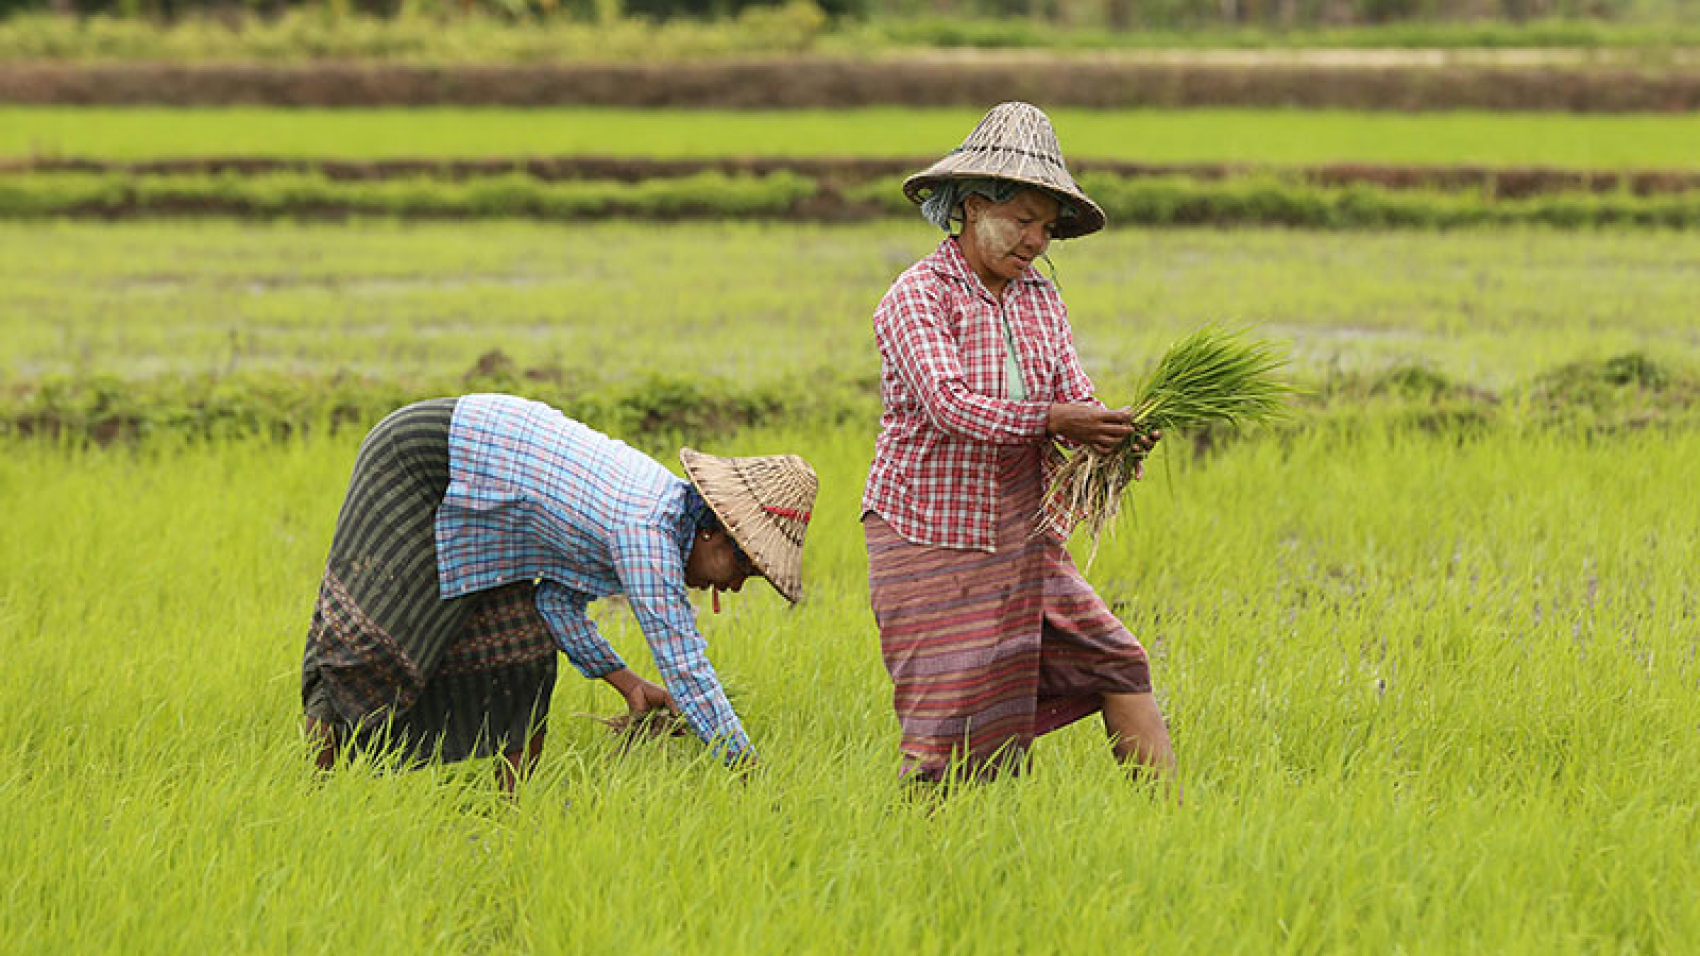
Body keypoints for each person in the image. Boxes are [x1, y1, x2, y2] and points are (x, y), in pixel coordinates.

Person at [862, 101, 1174, 784]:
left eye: (1047, 227)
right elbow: (948, 405)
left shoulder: (1040, 299)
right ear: (973, 206)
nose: (1035, 239)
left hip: (1024, 534)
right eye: (1021, 219)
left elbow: (1073, 391)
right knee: (947, 728)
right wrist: (1055, 421)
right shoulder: (917, 296)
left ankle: (1175, 828)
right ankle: (936, 863)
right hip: (930, 533)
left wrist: (1113, 437)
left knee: (1120, 661)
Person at [301, 393, 817, 788]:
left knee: (521, 649)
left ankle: (505, 825)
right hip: (418, 461)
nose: (732, 584)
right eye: (742, 565)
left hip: (481, 499)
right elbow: (686, 668)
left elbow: (553, 602)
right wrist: (750, 773)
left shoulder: (659, 520)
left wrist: (627, 683)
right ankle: (312, 797)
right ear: (713, 528)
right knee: (369, 642)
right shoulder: (647, 530)